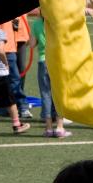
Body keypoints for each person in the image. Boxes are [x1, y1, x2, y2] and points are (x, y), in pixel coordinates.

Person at [30, 8, 68, 137]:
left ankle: (48, 128)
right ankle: (59, 127)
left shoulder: (36, 24)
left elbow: (32, 44)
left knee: (45, 94)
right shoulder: (57, 22)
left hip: (42, 61)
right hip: (56, 61)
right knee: (58, 94)